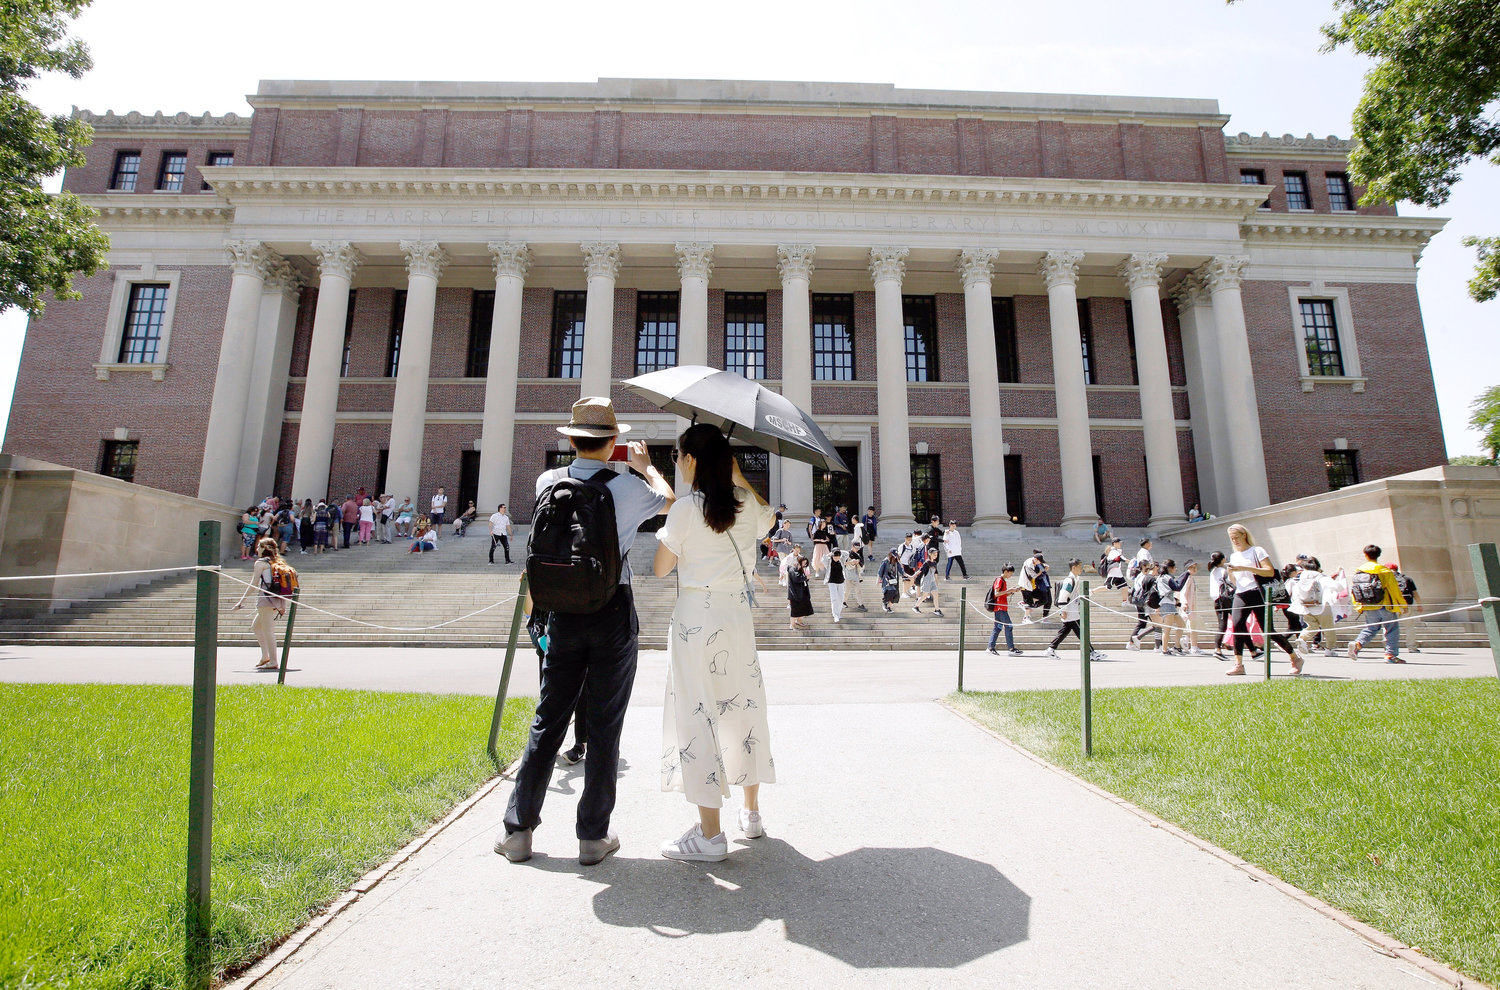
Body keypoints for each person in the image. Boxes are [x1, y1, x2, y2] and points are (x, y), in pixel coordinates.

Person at [497, 396, 674, 867]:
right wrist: (647, 467)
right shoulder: (628, 487)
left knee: (548, 717)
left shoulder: (547, 481)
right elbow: (670, 502)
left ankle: (518, 831)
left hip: (562, 612)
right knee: (603, 725)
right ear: (613, 442)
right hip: (612, 608)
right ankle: (592, 836)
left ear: (570, 439)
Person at [652, 424, 776, 862]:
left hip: (695, 621)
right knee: (742, 707)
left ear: (691, 461)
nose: (678, 463)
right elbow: (770, 520)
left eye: (678, 455)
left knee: (698, 712)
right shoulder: (745, 504)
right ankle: (752, 813)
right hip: (736, 617)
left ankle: (709, 835)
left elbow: (662, 568)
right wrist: (740, 477)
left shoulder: (685, 509)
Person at [1223, 524, 1300, 676]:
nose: (1235, 541)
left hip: (1257, 592)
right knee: (1237, 626)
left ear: (1244, 535)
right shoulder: (1234, 556)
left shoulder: (1257, 551)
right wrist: (1231, 571)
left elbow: (1269, 571)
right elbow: (1235, 581)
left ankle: (1294, 658)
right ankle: (1239, 664)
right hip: (1241, 592)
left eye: (1237, 538)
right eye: (1232, 539)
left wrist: (1246, 568)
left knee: (1268, 630)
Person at [232, 536, 289, 670]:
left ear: (265, 549)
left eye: (259, 546)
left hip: (266, 600)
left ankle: (273, 661)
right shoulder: (279, 563)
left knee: (268, 631)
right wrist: (283, 605)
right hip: (276, 600)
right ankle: (265, 656)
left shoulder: (260, 563)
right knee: (257, 627)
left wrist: (241, 601)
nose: (256, 549)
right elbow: (285, 586)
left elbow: (253, 584)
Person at [1347, 544, 1407, 663]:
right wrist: (1402, 604)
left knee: (1371, 628)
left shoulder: (1359, 571)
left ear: (1365, 555)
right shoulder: (1384, 571)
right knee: (1392, 629)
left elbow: (1355, 589)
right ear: (1379, 555)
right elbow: (1394, 590)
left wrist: (1358, 605)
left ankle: (1358, 643)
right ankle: (1390, 654)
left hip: (1368, 605)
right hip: (1385, 604)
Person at [1046, 559, 1106, 661]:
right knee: (1081, 633)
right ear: (1073, 567)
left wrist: (1095, 590)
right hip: (1071, 612)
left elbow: (1078, 594)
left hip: (1071, 611)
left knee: (1065, 632)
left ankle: (1051, 649)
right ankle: (1091, 652)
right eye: (1079, 567)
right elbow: (1063, 596)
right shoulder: (1070, 580)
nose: (1081, 569)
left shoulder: (1075, 579)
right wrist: (1063, 610)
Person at [1288, 555, 1337, 659]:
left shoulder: (1300, 578)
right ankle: (1330, 649)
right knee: (1328, 629)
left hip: (1306, 606)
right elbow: (1337, 587)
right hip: (1322, 607)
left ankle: (1302, 638)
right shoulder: (1322, 577)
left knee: (1311, 627)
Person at [1126, 561, 1163, 652]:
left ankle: (1158, 646)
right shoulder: (1148, 578)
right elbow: (1152, 592)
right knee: (1156, 624)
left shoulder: (1141, 576)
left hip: (1141, 601)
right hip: (1147, 603)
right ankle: (1137, 639)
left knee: (1147, 624)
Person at [986, 564, 1023, 656]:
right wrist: (1009, 590)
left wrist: (1011, 592)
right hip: (1000, 608)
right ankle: (1011, 648)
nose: (1011, 575)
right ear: (1006, 571)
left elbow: (1002, 595)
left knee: (997, 628)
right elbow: (996, 593)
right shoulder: (999, 580)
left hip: (1000, 607)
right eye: (1010, 573)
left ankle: (990, 647)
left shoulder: (1003, 581)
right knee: (1009, 626)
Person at [1156, 559, 1187, 655]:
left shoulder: (1162, 577)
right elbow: (1177, 587)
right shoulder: (1166, 577)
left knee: (1181, 624)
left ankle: (1176, 647)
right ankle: (1164, 650)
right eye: (1174, 567)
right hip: (1167, 605)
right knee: (1167, 628)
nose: (1175, 569)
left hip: (1169, 604)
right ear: (1170, 568)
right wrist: (1186, 574)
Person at [1208, 550, 1233, 660]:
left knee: (1223, 625)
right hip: (1225, 599)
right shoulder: (1223, 571)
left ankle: (1218, 649)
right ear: (1222, 559)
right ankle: (1217, 649)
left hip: (1217, 600)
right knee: (1229, 624)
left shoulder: (1213, 571)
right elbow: (1232, 582)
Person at [1178, 560, 1205, 655]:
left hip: (1192, 605)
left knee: (1192, 626)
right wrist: (1184, 603)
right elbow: (1183, 592)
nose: (1195, 569)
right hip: (1189, 606)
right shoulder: (1187, 578)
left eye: (1195, 567)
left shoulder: (1190, 578)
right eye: (1192, 567)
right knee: (1193, 626)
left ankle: (1187, 640)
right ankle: (1193, 646)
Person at [1019, 550, 1049, 621]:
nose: (1040, 563)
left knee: (1043, 599)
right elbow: (1034, 576)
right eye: (1039, 561)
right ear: (1035, 559)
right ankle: (1025, 618)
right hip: (1025, 586)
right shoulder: (1029, 565)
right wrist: (1041, 572)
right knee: (1029, 603)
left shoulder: (1031, 561)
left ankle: (1025, 604)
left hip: (1031, 586)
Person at [912, 546, 942, 616]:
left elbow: (935, 573)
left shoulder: (934, 562)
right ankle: (916, 606)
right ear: (930, 554)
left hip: (932, 581)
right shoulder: (926, 563)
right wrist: (912, 576)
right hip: (926, 581)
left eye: (936, 554)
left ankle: (937, 609)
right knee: (925, 595)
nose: (936, 556)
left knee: (935, 595)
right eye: (934, 554)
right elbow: (920, 570)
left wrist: (936, 581)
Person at [787, 555, 814, 630]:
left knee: (804, 608)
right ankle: (792, 625)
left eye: (805, 563)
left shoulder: (801, 569)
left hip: (803, 592)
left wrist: (806, 578)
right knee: (795, 610)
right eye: (803, 563)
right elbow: (796, 579)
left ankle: (799, 621)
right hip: (795, 593)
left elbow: (802, 580)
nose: (804, 565)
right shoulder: (792, 569)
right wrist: (805, 577)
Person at [824, 547, 847, 622]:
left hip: (841, 581)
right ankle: (835, 615)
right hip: (832, 581)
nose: (836, 558)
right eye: (835, 556)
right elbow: (823, 559)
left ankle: (838, 613)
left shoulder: (841, 560)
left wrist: (839, 551)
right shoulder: (829, 561)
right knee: (834, 598)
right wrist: (830, 554)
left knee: (841, 598)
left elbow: (847, 554)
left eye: (838, 556)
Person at [845, 539, 868, 612]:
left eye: (858, 548)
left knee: (858, 590)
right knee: (847, 591)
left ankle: (861, 604)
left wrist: (857, 563)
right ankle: (843, 602)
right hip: (848, 575)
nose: (857, 549)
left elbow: (862, 565)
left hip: (855, 576)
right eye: (856, 547)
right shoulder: (847, 554)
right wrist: (851, 562)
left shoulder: (858, 555)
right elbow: (843, 563)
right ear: (852, 546)